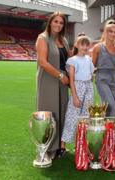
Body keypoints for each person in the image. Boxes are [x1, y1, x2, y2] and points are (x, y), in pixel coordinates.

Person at [36, 11, 70, 159]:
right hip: (49, 79)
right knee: (50, 113)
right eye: (55, 21)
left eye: (61, 22)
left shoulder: (64, 40)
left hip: (63, 81)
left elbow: (68, 61)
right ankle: (47, 149)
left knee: (62, 112)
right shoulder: (42, 38)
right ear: (50, 22)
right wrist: (60, 75)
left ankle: (59, 148)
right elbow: (43, 62)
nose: (58, 25)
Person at [61, 35, 94, 153]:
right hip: (78, 86)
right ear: (76, 45)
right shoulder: (73, 60)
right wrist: (74, 96)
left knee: (86, 116)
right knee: (72, 116)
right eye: (82, 44)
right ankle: (63, 145)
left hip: (88, 87)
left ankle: (81, 143)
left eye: (87, 45)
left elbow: (91, 75)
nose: (85, 47)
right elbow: (71, 79)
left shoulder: (89, 59)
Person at [92, 23, 115, 117]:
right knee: (110, 106)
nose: (113, 34)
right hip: (102, 78)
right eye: (110, 31)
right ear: (105, 32)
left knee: (113, 108)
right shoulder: (98, 47)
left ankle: (109, 130)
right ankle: (109, 130)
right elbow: (91, 65)